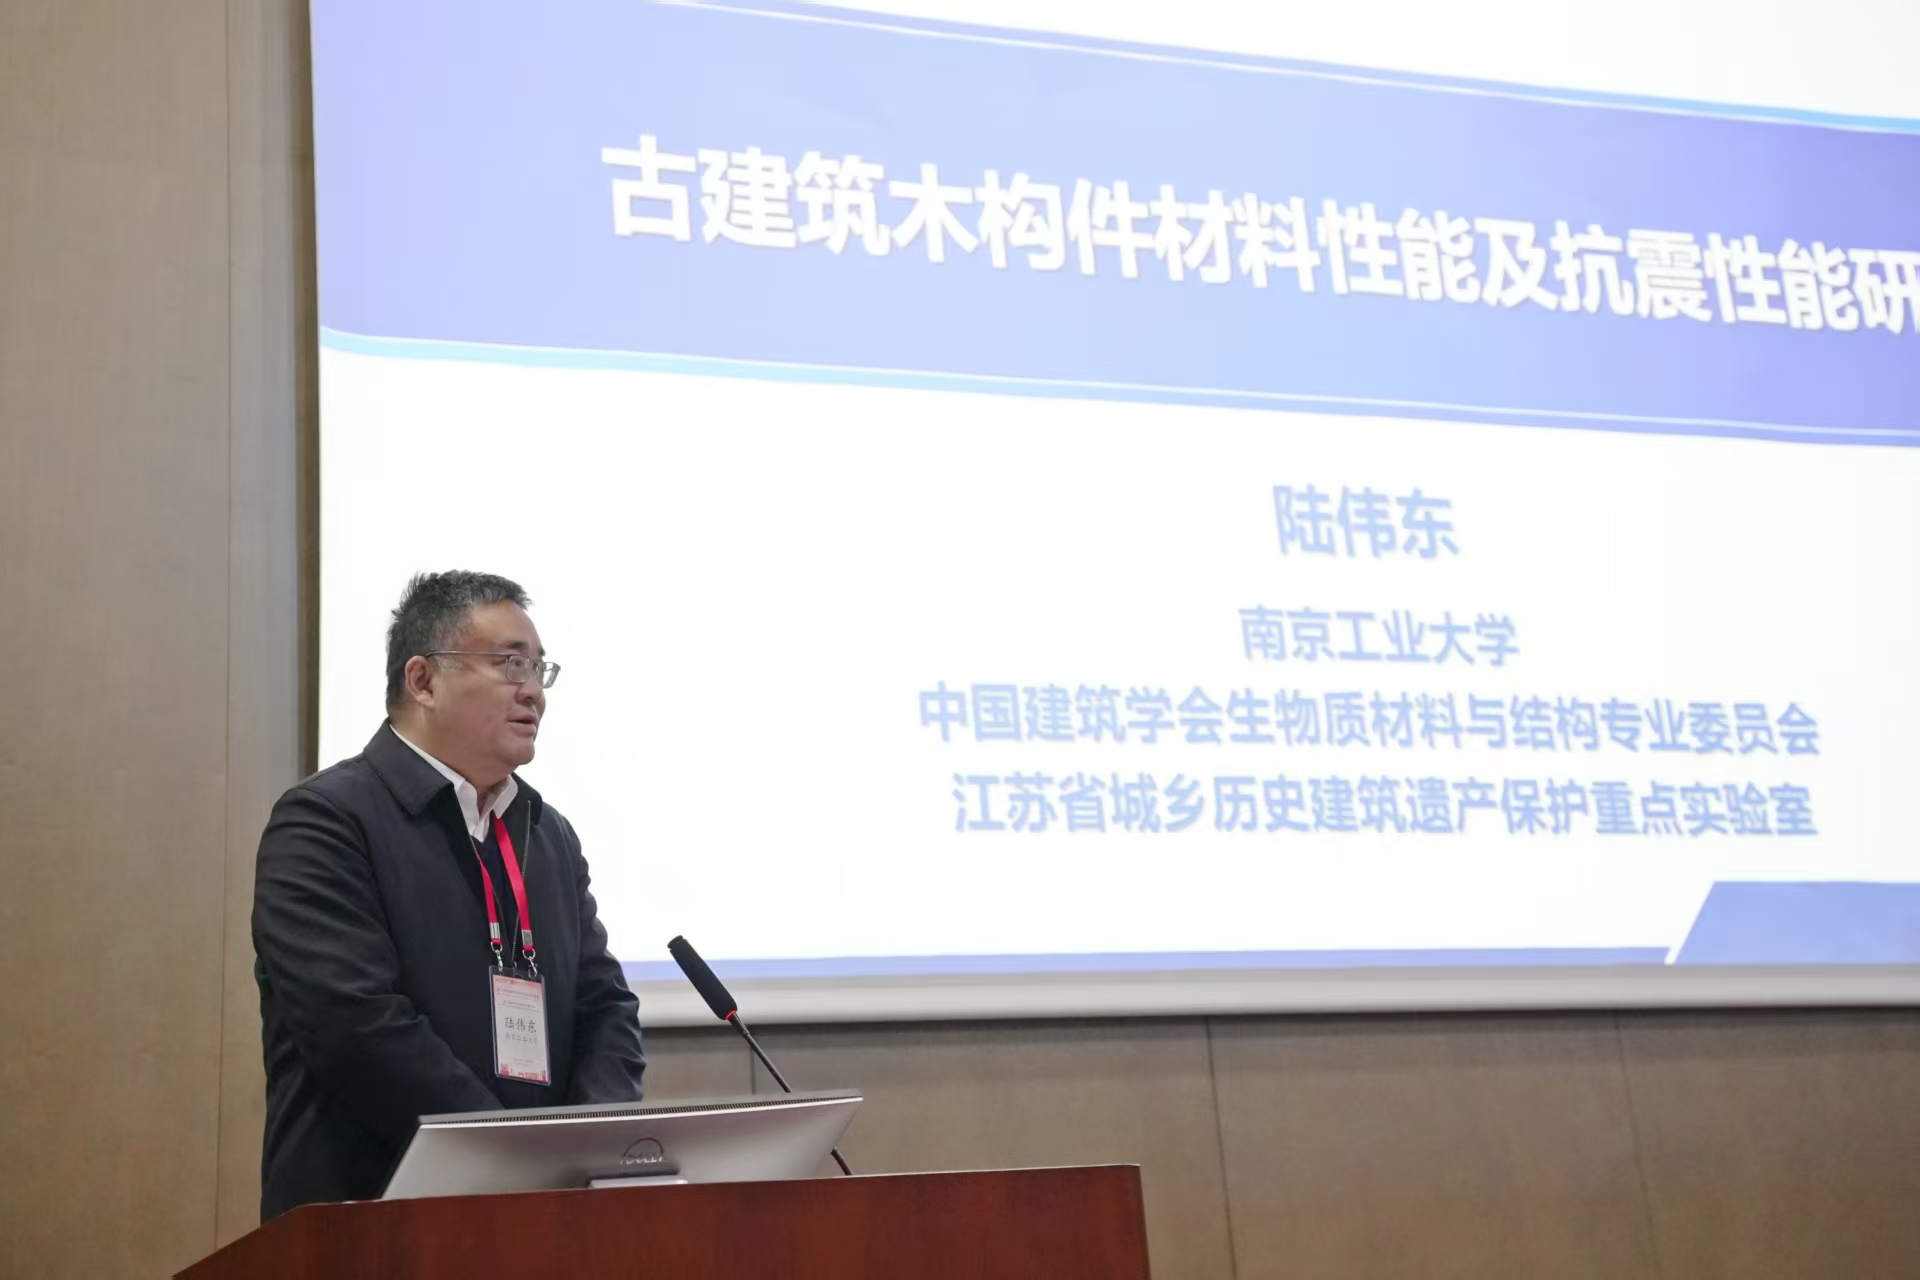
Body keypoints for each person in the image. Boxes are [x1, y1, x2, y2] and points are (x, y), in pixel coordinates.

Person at [252, 571, 645, 1220]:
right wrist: (514, 1161)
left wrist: (586, 1149)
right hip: (373, 1225)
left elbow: (604, 1005)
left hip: (539, 1221)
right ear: (423, 681)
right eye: (509, 664)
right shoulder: (326, 822)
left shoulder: (545, 833)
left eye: (538, 669)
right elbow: (358, 1029)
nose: (532, 691)